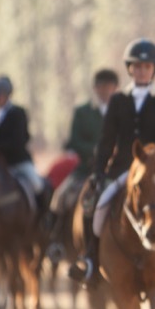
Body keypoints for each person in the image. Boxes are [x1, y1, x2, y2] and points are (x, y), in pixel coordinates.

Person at [71, 40, 155, 285]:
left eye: (147, 66)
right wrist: (98, 172)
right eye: (137, 66)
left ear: (154, 69)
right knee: (94, 204)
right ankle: (90, 259)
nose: (142, 71)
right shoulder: (118, 100)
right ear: (130, 69)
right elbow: (107, 140)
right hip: (122, 168)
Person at [50, 68, 119, 230]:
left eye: (109, 87)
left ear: (115, 88)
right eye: (101, 86)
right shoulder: (82, 112)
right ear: (95, 88)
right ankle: (56, 236)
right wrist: (96, 152)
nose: (105, 91)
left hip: (114, 169)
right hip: (85, 169)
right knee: (60, 197)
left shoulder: (120, 112)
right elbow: (75, 141)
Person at [0, 76, 47, 206]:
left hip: (18, 161)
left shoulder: (18, 113)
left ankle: (44, 213)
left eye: (0, 95)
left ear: (7, 95)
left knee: (37, 185)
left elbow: (20, 139)